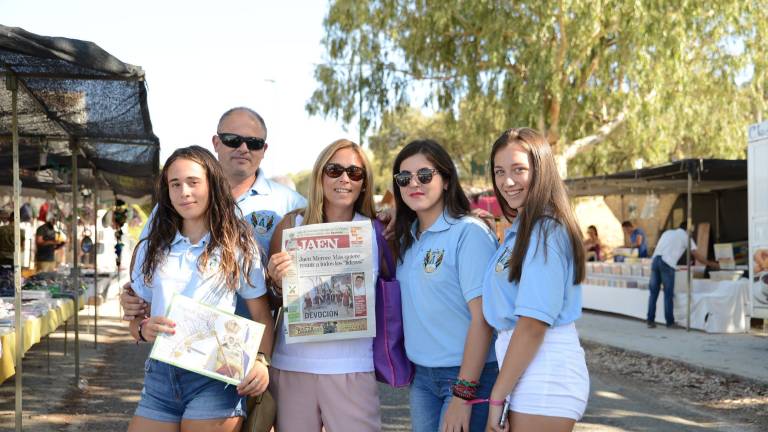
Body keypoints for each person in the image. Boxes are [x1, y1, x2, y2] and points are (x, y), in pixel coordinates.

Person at [126, 146, 273, 432]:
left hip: (216, 376)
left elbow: (261, 315)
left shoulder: (238, 245)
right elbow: (134, 321)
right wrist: (143, 329)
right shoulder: (151, 247)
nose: (184, 192)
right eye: (175, 184)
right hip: (160, 375)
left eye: (193, 182)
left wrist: (261, 362)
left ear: (212, 185)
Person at [121, 107, 307, 320]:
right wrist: (131, 298)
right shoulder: (176, 204)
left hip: (259, 340)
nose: (244, 148)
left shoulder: (292, 204)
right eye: (233, 139)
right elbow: (145, 260)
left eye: (253, 142)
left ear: (264, 149)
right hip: (185, 341)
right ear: (216, 142)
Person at [265, 139, 382, 431]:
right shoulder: (291, 225)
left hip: (352, 366)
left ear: (364, 183)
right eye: (335, 170)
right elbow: (271, 301)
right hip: (293, 365)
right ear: (320, 175)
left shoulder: (378, 231)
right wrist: (277, 283)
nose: (344, 178)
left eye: (355, 172)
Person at [483, 128, 590, 432]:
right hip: (526, 367)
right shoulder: (524, 228)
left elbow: (532, 324)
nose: (507, 181)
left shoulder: (546, 230)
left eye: (519, 169)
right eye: (499, 171)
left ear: (541, 170)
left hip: (544, 373)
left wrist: (497, 397)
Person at [391, 139, 498, 432]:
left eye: (425, 175)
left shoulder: (469, 233)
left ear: (447, 180)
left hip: (466, 379)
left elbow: (483, 319)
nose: (415, 183)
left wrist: (463, 395)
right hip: (423, 379)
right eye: (404, 178)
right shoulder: (407, 240)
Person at [646, 222, 718, 328]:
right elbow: (697, 256)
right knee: (668, 294)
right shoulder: (686, 237)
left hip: (655, 260)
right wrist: (711, 264)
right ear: (688, 230)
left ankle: (650, 320)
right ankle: (670, 322)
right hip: (667, 263)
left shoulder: (667, 232)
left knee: (653, 293)